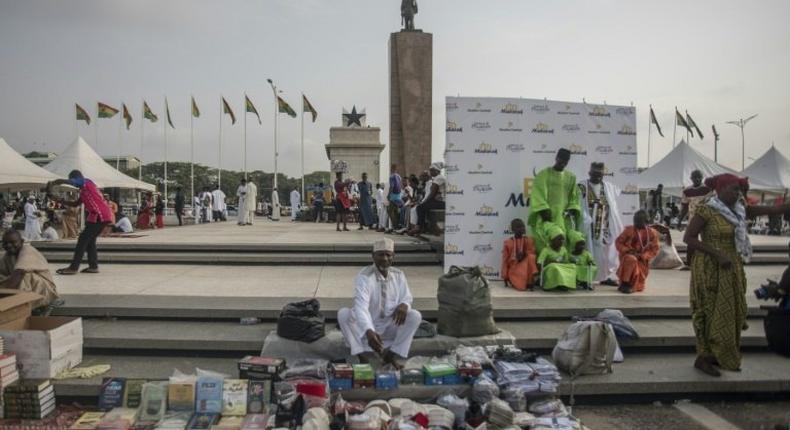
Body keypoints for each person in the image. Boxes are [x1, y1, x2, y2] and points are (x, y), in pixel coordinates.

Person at [684, 174, 790, 376]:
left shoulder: (740, 210)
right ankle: (703, 357)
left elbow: (772, 209)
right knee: (708, 311)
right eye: (734, 189)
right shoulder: (707, 209)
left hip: (731, 266)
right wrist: (716, 253)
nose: (738, 193)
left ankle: (720, 353)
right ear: (721, 189)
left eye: (739, 190)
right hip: (710, 267)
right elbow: (689, 237)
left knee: (730, 311)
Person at [337, 238, 421, 369]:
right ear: (373, 256)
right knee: (344, 314)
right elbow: (361, 307)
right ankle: (361, 356)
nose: (385, 258)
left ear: (393, 256)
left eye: (388, 255)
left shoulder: (398, 275)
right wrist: (369, 331)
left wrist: (405, 304)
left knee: (415, 316)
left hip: (390, 326)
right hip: (367, 330)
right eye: (381, 254)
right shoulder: (364, 276)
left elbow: (407, 297)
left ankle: (390, 355)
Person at [47, 170, 113, 275]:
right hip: (103, 215)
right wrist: (59, 200)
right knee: (90, 242)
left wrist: (55, 182)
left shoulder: (86, 182)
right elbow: (75, 204)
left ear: (76, 178)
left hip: (99, 215)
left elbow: (71, 182)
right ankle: (93, 266)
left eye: (73, 180)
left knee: (82, 240)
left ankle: (73, 268)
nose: (75, 184)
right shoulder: (85, 190)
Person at [578, 162, 623, 286]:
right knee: (588, 252)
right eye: (595, 174)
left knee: (606, 253)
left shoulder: (609, 187)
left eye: (600, 175)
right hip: (588, 226)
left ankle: (605, 277)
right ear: (589, 173)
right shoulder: (582, 186)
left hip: (604, 227)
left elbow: (612, 207)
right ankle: (587, 278)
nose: (598, 177)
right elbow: (579, 205)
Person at [528, 148, 581, 253]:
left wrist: (572, 209)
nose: (563, 162)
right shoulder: (543, 174)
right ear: (556, 158)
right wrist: (544, 210)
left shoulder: (571, 177)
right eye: (561, 159)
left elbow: (574, 197)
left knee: (563, 244)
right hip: (547, 215)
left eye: (566, 161)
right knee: (545, 244)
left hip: (564, 217)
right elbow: (537, 194)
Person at [0, 230, 60, 309]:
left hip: (45, 291)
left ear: (22, 242)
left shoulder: (28, 250)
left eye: (13, 242)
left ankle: (21, 305)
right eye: (5, 243)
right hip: (23, 288)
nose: (9, 245)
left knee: (25, 276)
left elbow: (19, 273)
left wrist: (4, 298)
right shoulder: (7, 256)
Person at [615, 210, 660, 294]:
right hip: (628, 257)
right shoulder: (629, 230)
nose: (636, 223)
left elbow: (655, 249)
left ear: (646, 221)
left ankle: (632, 284)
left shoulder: (652, 233)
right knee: (631, 259)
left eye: (639, 221)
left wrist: (643, 256)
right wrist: (627, 250)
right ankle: (625, 283)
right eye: (635, 221)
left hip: (642, 260)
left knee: (639, 287)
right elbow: (618, 243)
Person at [536, 223, 577, 291]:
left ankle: (564, 284)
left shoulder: (564, 249)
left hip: (561, 266)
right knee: (554, 267)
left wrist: (567, 262)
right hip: (549, 268)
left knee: (573, 266)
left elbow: (566, 262)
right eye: (559, 239)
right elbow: (539, 264)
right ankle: (550, 285)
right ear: (552, 240)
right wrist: (549, 262)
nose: (562, 242)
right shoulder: (546, 250)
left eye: (563, 240)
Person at [501, 218, 538, 291]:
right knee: (521, 287)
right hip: (514, 267)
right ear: (512, 229)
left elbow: (532, 252)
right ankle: (524, 281)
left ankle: (531, 280)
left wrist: (524, 254)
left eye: (522, 226)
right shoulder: (508, 243)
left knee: (531, 257)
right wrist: (505, 276)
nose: (521, 228)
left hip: (527, 265)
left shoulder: (529, 240)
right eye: (518, 227)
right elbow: (505, 260)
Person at [410, 163, 446, 236]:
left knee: (421, 207)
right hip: (439, 201)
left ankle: (419, 227)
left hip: (442, 202)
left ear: (437, 171)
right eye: (430, 170)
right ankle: (428, 227)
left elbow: (432, 193)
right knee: (424, 207)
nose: (431, 172)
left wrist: (425, 201)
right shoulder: (437, 178)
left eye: (432, 170)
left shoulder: (439, 178)